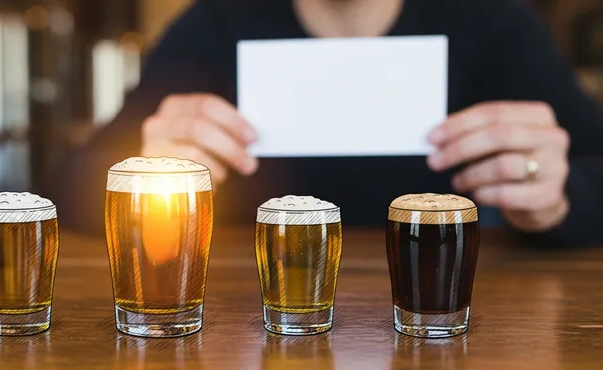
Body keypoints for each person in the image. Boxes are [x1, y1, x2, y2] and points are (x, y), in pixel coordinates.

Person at [55, 0, 603, 247]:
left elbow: (590, 167)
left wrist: (559, 196)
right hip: (250, 322)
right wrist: (148, 170)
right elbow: (69, 188)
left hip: (446, 320)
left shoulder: (493, 23)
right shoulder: (215, 23)